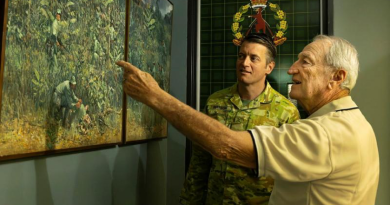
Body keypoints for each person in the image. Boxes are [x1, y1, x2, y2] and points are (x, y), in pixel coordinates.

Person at [117, 35, 379, 204]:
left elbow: (226, 145)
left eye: (306, 62)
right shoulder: (356, 124)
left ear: (337, 77)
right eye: (242, 56)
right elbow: (201, 162)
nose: (293, 69)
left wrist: (154, 96)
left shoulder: (324, 131)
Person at [180, 33, 299, 205]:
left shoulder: (286, 112)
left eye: (254, 58)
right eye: (241, 56)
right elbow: (200, 161)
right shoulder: (215, 102)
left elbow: (290, 173)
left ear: (269, 67)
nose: (245, 63)